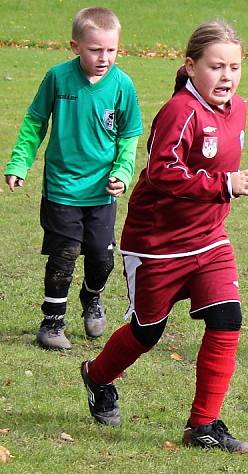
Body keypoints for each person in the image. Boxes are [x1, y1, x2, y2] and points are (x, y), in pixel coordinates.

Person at [79, 20, 248, 453]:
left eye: (234, 67)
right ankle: (97, 376)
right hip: (156, 243)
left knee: (227, 319)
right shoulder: (179, 111)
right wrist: (224, 185)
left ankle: (204, 424)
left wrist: (222, 191)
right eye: (216, 67)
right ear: (191, 66)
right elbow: (162, 172)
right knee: (147, 332)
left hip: (210, 239)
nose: (227, 77)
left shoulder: (239, 109)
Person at [4, 6, 143, 350]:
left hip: (101, 191)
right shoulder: (57, 77)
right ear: (75, 45)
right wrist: (19, 164)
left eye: (111, 49)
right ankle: (52, 324)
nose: (104, 57)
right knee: (65, 253)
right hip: (62, 187)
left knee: (101, 257)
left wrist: (122, 173)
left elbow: (129, 138)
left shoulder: (123, 85)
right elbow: (35, 124)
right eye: (95, 49)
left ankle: (91, 297)